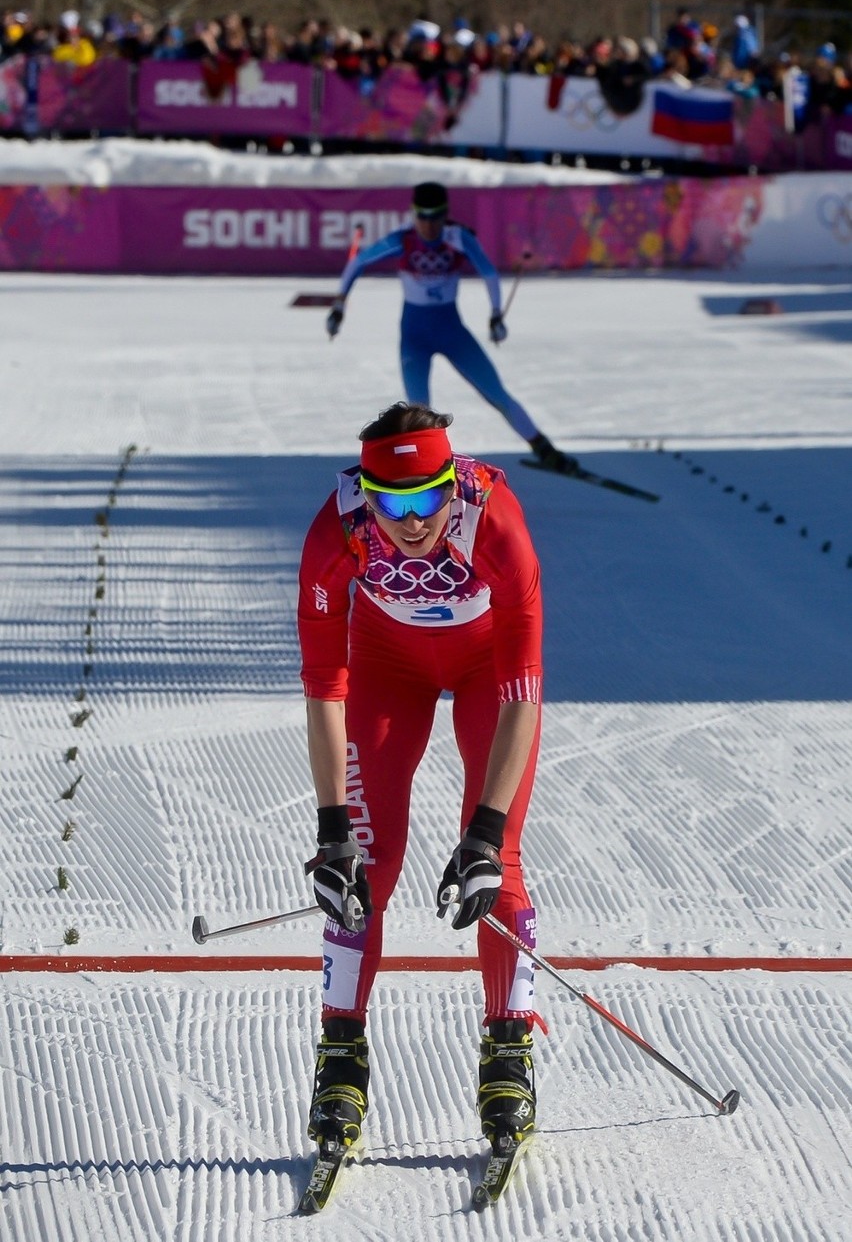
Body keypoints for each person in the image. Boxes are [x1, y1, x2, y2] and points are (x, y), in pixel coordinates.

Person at [298, 400, 544, 1160]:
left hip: (485, 668)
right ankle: (342, 1051)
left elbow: (521, 691)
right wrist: (331, 826)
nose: (413, 519)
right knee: (363, 867)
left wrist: (485, 828)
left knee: (494, 864)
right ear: (364, 492)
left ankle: (509, 1052)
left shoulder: (494, 522)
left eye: (430, 496)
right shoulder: (334, 534)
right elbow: (325, 687)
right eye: (395, 502)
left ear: (453, 484)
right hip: (386, 665)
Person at [326, 181, 576, 473]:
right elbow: (357, 263)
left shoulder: (458, 238)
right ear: (413, 214)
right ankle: (424, 471)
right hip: (415, 340)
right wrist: (339, 305)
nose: (429, 226)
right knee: (419, 414)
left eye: (436, 218)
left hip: (452, 333)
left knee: (496, 394)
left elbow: (489, 273)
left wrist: (496, 314)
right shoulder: (403, 240)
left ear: (445, 215)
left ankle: (544, 449)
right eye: (423, 217)